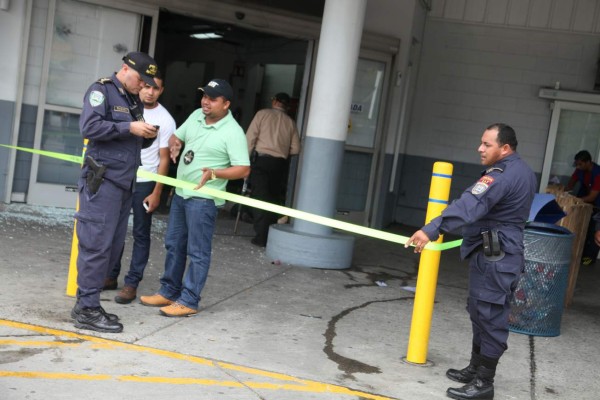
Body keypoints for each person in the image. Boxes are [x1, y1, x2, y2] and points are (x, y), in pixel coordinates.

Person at [405, 123, 537, 400]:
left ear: (505, 148)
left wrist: (431, 229)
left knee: (489, 314)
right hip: (497, 251)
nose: (480, 148)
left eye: (487, 144)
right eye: (481, 143)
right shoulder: (521, 169)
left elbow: (469, 204)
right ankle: (476, 369)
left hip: (497, 255)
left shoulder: (501, 175)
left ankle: (484, 383)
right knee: (479, 310)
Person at [140, 79, 250, 317]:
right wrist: (176, 143)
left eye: (212, 99)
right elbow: (176, 138)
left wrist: (215, 173)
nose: (205, 102)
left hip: (203, 200)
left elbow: (243, 169)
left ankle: (189, 300)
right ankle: (169, 291)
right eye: (204, 96)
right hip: (180, 193)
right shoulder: (196, 116)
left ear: (226, 104)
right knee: (174, 245)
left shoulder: (233, 132)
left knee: (197, 252)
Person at [72, 52, 160, 333]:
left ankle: (90, 303)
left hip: (124, 183)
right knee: (96, 245)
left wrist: (146, 135)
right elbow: (89, 127)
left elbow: (128, 141)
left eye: (149, 84)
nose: (144, 88)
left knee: (111, 249)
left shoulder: (132, 99)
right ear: (125, 69)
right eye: (141, 81)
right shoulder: (102, 90)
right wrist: (128, 126)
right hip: (104, 181)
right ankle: (86, 309)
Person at [104, 72, 177, 304]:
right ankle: (110, 276)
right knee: (115, 228)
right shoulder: (126, 105)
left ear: (161, 91)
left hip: (145, 181)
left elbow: (164, 158)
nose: (150, 91)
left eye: (155, 88)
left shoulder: (165, 119)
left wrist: (157, 192)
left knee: (140, 234)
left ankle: (131, 283)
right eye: (146, 86)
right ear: (140, 85)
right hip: (121, 175)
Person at [245, 92, 300, 247]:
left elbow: (250, 139)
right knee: (273, 198)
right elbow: (296, 149)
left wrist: (244, 162)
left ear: (274, 101)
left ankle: (261, 236)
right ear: (287, 106)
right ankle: (270, 234)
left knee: (259, 197)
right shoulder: (291, 122)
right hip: (279, 165)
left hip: (261, 161)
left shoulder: (262, 114)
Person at [565, 150, 600, 265]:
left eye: (580, 164)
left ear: (588, 162)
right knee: (582, 228)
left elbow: (592, 196)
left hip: (597, 205)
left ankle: (588, 260)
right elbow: (571, 183)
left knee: (593, 232)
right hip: (586, 203)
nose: (578, 167)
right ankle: (578, 255)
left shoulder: (598, 174)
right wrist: (565, 194)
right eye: (577, 164)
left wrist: (577, 200)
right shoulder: (580, 170)